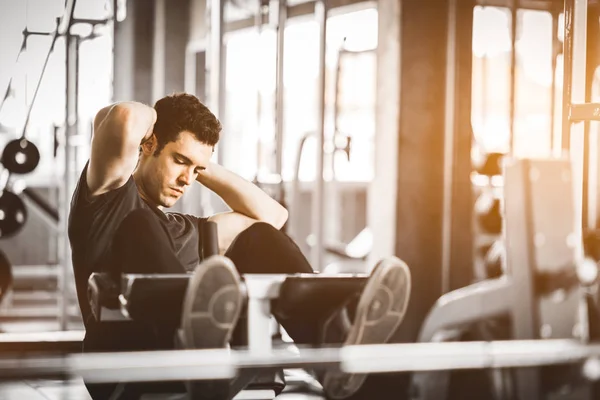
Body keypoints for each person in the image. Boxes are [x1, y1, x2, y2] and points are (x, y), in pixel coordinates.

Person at [68, 93, 412, 400]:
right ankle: (190, 350)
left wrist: (199, 162)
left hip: (200, 368)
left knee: (258, 237)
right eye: (179, 161)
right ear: (147, 145)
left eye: (196, 170)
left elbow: (272, 216)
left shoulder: (188, 229)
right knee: (141, 225)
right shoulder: (106, 198)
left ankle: (331, 348)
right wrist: (164, 132)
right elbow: (125, 118)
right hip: (120, 361)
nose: (188, 180)